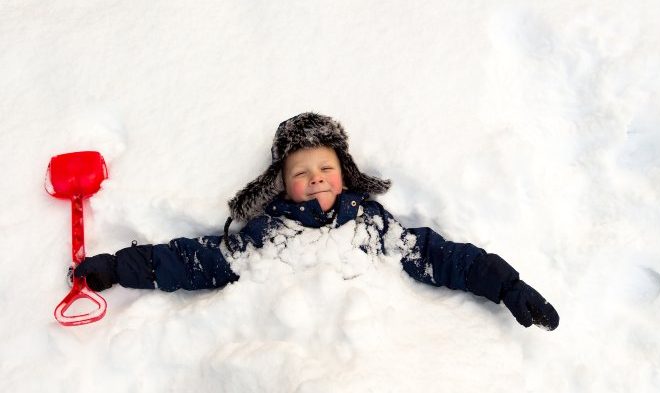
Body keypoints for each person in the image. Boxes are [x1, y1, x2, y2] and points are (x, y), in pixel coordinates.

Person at [75, 112, 559, 330]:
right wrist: (117, 268)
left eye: (326, 167)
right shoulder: (267, 239)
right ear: (282, 186)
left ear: (345, 176)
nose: (317, 178)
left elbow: (442, 258)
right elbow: (190, 262)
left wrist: (506, 285)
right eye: (301, 173)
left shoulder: (372, 227)